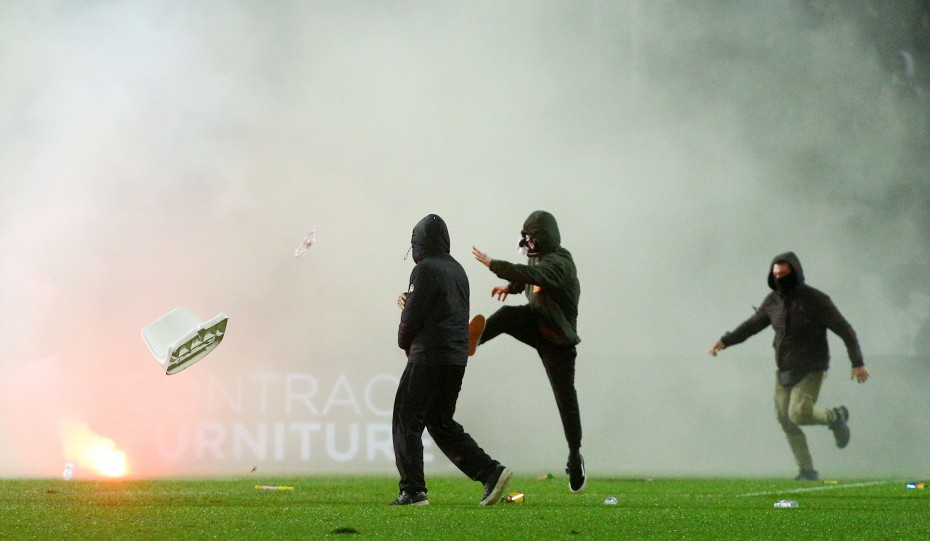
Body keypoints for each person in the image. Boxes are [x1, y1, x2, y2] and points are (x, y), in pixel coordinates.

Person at [708, 251, 870, 481]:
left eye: (784, 274)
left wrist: (858, 362)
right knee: (785, 418)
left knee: (799, 413)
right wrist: (726, 341)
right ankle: (807, 470)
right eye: (776, 274)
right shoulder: (772, 301)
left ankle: (835, 417)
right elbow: (752, 325)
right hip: (784, 368)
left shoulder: (816, 299)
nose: (780, 278)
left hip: (812, 366)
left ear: (795, 272)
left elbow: (845, 329)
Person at [391, 214, 512, 506]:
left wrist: (404, 339)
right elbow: (445, 310)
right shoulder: (457, 270)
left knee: (406, 418)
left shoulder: (424, 270)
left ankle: (412, 490)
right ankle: (491, 472)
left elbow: (413, 319)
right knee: (440, 422)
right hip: (455, 358)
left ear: (418, 241)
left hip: (429, 355)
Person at [470, 210, 586, 493]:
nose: (528, 243)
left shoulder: (561, 263)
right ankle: (465, 343)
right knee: (507, 315)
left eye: (533, 238)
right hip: (537, 323)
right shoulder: (537, 256)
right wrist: (510, 287)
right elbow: (526, 277)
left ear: (543, 238)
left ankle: (574, 455)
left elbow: (535, 274)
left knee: (565, 399)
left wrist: (494, 264)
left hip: (558, 339)